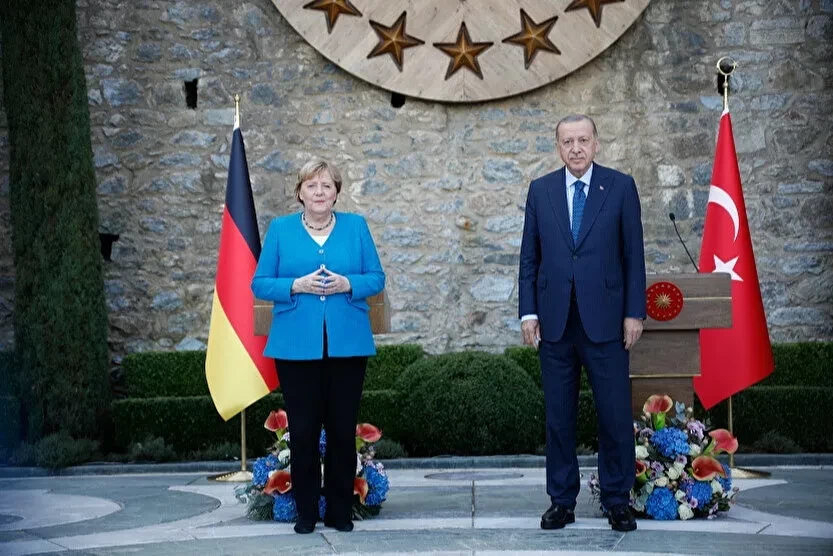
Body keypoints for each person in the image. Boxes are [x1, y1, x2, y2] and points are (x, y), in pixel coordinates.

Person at [518, 114, 646, 532]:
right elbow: (529, 258)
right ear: (558, 147)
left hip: (607, 322)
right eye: (568, 141)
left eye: (583, 140)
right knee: (558, 419)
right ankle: (561, 501)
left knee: (613, 416)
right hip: (555, 323)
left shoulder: (621, 187)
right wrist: (529, 312)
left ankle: (616, 500)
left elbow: (634, 256)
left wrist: (634, 312)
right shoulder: (541, 191)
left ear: (596, 143)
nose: (576, 148)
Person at [251, 160, 385, 534]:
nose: (320, 192)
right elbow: (260, 284)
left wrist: (347, 283)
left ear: (337, 192)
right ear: (300, 192)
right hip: (295, 349)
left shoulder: (356, 227)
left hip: (348, 345)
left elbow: (377, 277)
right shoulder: (280, 230)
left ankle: (340, 512)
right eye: (312, 186)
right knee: (304, 433)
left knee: (343, 431)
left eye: (327, 186)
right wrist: (296, 285)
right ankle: (306, 513)